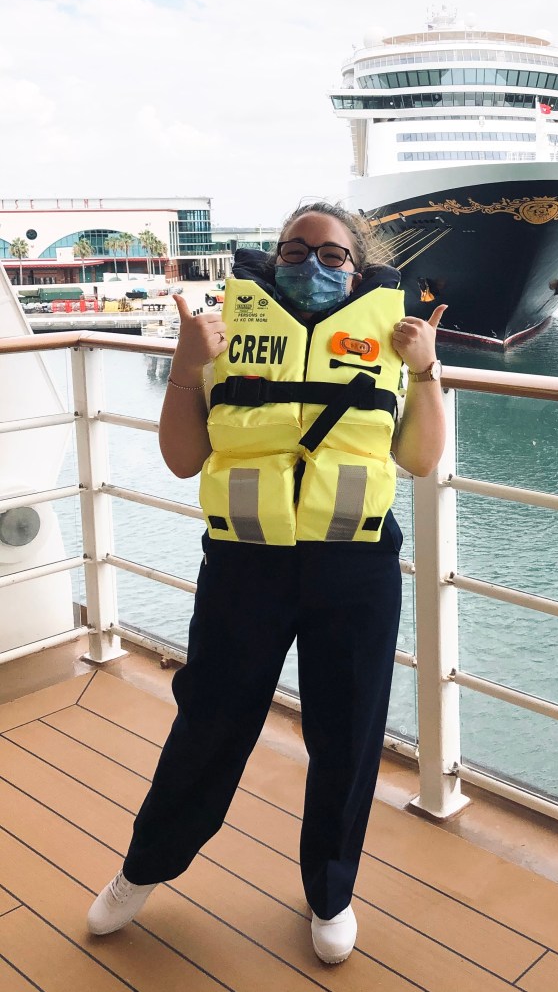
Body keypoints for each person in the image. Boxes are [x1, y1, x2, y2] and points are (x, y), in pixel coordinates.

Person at [87, 202, 447, 964]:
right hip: (245, 566)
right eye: (297, 248)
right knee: (208, 724)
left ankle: (331, 891)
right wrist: (188, 364)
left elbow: (419, 458)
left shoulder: (390, 340)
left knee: (347, 737)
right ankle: (141, 868)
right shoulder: (222, 332)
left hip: (355, 570)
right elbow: (185, 459)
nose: (313, 263)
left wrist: (426, 367)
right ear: (272, 255)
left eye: (333, 254)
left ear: (358, 266)